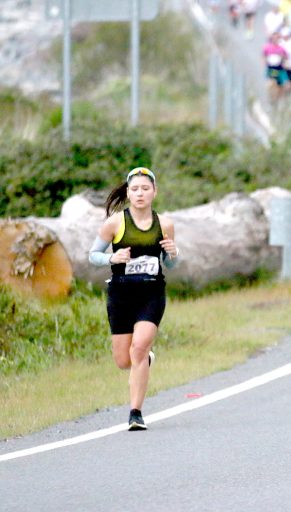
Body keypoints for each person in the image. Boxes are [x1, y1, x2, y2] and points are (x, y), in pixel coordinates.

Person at [88, 167, 180, 431]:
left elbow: (170, 265)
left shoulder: (165, 224)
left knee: (138, 348)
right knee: (123, 360)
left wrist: (174, 254)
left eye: (145, 188)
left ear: (154, 192)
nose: (140, 193)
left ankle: (135, 413)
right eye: (135, 189)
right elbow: (93, 255)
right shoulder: (115, 223)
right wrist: (111, 258)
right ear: (128, 193)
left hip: (151, 293)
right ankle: (145, 359)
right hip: (121, 294)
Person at [263, 31, 288, 106]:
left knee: (281, 86)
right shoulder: (267, 47)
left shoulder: (281, 48)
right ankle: (272, 99)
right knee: (271, 83)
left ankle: (277, 99)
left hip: (279, 68)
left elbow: (286, 57)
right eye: (274, 38)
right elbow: (264, 56)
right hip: (272, 68)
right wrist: (266, 62)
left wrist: (282, 58)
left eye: (277, 38)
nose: (275, 39)